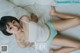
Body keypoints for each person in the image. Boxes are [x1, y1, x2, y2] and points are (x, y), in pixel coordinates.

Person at [0, 6, 80, 53]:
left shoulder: (23, 19)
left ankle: (54, 14)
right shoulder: (21, 42)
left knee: (78, 20)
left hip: (50, 26)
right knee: (78, 45)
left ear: (15, 20)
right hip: (50, 38)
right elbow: (31, 43)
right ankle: (56, 52)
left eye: (14, 22)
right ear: (9, 33)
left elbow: (34, 21)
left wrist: (33, 19)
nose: (15, 27)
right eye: (10, 28)